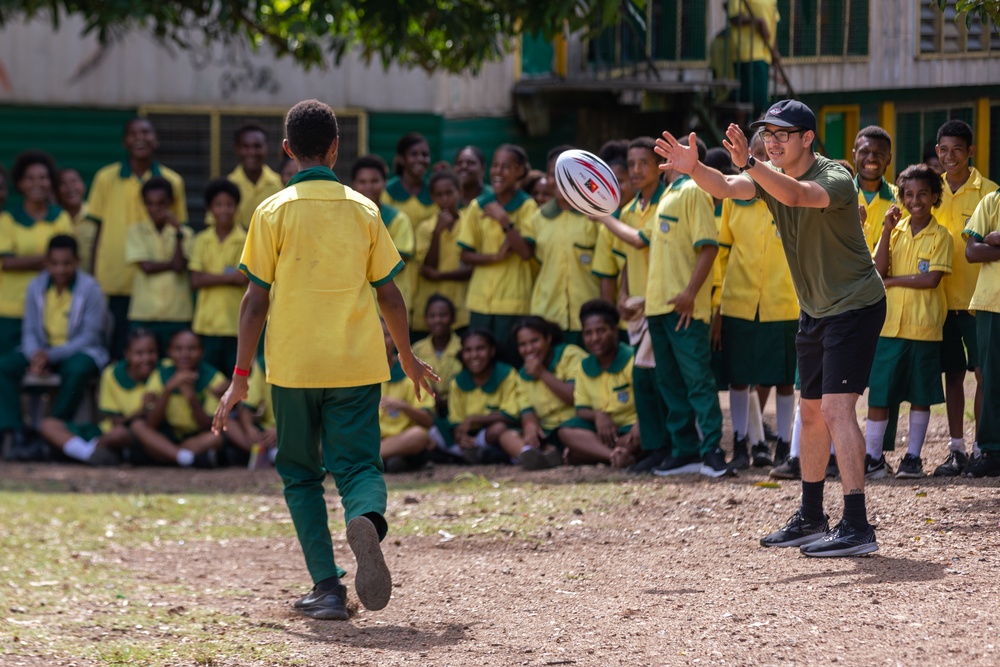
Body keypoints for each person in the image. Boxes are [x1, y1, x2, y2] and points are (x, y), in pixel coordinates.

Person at [211, 100, 437, 621]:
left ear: (287, 151)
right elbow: (390, 294)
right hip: (356, 365)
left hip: (292, 370)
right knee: (358, 464)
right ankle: (363, 518)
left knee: (299, 474)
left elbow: (253, 302)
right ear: (337, 148)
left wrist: (240, 378)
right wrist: (406, 354)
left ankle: (327, 589)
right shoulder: (364, 209)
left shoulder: (271, 210)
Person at [657, 99, 886, 556]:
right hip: (815, 310)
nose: (773, 140)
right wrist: (694, 168)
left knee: (838, 411)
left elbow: (797, 196)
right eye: (768, 133)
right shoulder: (769, 179)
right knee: (811, 412)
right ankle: (811, 516)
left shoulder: (835, 178)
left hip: (855, 306)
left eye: (784, 134)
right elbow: (723, 186)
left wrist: (752, 162)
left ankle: (858, 525)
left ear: (808, 139)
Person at [596, 136, 730, 479]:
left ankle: (712, 450)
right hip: (656, 308)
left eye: (675, 153)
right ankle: (683, 450)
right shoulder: (667, 196)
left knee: (697, 379)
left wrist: (690, 293)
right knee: (668, 382)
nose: (645, 166)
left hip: (683, 307)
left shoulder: (694, 190)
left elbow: (709, 247)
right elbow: (640, 248)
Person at [715, 131, 798, 471]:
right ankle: (742, 441)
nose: (764, 159)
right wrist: (718, 304)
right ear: (746, 154)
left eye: (771, 153)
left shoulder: (792, 195)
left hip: (786, 303)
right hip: (739, 301)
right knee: (739, 377)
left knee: (783, 377)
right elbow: (722, 252)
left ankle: (785, 445)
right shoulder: (734, 197)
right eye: (758, 153)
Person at [590, 137, 674, 473]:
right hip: (637, 311)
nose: (637, 171)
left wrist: (602, 216)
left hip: (662, 304)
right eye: (632, 163)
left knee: (664, 380)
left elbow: (640, 242)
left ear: (658, 168)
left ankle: (675, 448)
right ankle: (654, 449)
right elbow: (626, 260)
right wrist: (622, 297)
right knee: (645, 382)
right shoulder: (628, 210)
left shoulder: (667, 202)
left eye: (643, 164)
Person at [864, 165, 952, 480]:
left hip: (924, 329)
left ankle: (912, 458)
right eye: (909, 195)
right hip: (889, 329)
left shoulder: (942, 236)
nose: (915, 201)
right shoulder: (895, 232)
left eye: (923, 194)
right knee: (880, 396)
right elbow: (878, 271)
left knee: (920, 395)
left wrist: (893, 282)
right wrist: (886, 230)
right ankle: (872, 458)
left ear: (935, 197)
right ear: (901, 197)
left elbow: (931, 279)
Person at [86, 117, 187, 359]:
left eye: (146, 132)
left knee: (157, 352)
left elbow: (178, 228)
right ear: (124, 141)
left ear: (156, 140)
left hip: (158, 285)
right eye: (133, 133)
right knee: (119, 344)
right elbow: (97, 230)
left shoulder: (172, 181)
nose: (140, 137)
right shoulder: (105, 178)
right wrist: (92, 274)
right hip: (116, 277)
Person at [932, 119, 999, 477]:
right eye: (943, 149)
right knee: (952, 376)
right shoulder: (929, 190)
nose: (950, 156)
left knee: (984, 374)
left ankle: (981, 447)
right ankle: (955, 448)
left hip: (979, 302)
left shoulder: (989, 191)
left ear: (970, 151)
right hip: (940, 302)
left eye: (957, 149)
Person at [0, 235, 108, 452]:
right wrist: (36, 356)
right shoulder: (35, 286)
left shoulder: (91, 289)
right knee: (4, 366)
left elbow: (89, 336)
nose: (60, 270)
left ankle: (56, 429)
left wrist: (51, 356)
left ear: (77, 261)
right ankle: (16, 432)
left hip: (79, 351)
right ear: (47, 262)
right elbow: (29, 329)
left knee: (78, 369)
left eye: (66, 263)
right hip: (41, 352)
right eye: (55, 263)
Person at [457, 144, 539, 363]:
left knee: (508, 360)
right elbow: (465, 255)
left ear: (520, 171)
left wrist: (504, 221)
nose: (498, 172)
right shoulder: (478, 206)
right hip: (480, 300)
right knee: (479, 361)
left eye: (506, 167)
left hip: (514, 301)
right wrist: (495, 258)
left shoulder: (527, 206)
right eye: (495, 166)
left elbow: (525, 252)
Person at [38, 328, 159, 466]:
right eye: (139, 353)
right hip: (107, 433)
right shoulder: (111, 373)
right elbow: (115, 422)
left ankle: (83, 453)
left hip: (138, 436)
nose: (146, 358)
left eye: (151, 352)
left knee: (122, 433)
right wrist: (141, 411)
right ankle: (89, 454)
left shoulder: (162, 372)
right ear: (127, 354)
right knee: (48, 425)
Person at [524, 146, 601, 344]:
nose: (558, 180)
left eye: (566, 173)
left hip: (589, 319)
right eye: (552, 174)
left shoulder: (596, 218)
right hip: (547, 315)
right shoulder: (536, 220)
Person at [0, 151, 73, 352]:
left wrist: (26, 261)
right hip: (11, 308)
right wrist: (51, 259)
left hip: (50, 308)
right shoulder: (8, 219)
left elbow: (68, 261)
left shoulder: (60, 217)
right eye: (30, 178)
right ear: (20, 183)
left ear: (51, 182)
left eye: (43, 178)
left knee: (41, 372)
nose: (37, 183)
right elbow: (7, 263)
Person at [559, 300, 639, 467]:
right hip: (602, 433)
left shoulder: (633, 359)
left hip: (632, 427)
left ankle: (590, 453)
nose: (594, 338)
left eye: (601, 331)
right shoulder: (583, 367)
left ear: (615, 331)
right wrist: (598, 415)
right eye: (588, 333)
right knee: (566, 431)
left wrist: (640, 424)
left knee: (647, 433)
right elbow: (581, 410)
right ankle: (613, 455)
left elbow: (652, 400)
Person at [130, 329, 227, 466]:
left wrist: (192, 399)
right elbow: (151, 423)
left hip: (195, 437)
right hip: (165, 435)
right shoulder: (160, 374)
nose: (185, 354)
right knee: (137, 426)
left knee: (214, 439)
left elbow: (208, 427)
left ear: (202, 352)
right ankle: (185, 457)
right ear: (169, 352)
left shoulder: (214, 378)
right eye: (178, 349)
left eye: (192, 349)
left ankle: (169, 455)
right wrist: (168, 389)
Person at [125, 177, 194, 354]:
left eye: (161, 203)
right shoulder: (135, 231)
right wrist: (172, 264)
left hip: (177, 313)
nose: (155, 209)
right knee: (144, 365)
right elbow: (146, 267)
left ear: (171, 202)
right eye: (150, 203)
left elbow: (178, 267)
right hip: (144, 313)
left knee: (176, 365)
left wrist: (178, 233)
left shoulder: (185, 233)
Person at [190, 179, 248, 375]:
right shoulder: (201, 240)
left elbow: (243, 279)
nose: (224, 210)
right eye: (218, 205)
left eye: (229, 204)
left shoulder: (247, 239)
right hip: (207, 325)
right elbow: (195, 280)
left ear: (237, 207)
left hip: (236, 324)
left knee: (236, 379)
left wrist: (211, 277)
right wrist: (229, 277)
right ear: (209, 209)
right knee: (210, 380)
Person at [512, 316, 586, 470]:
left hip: (576, 425)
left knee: (570, 436)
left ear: (548, 338)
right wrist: (530, 424)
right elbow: (526, 409)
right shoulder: (522, 374)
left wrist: (542, 373)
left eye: (534, 341)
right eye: (522, 345)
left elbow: (573, 397)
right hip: (548, 431)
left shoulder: (569, 355)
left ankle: (554, 454)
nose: (529, 349)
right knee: (508, 434)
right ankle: (536, 455)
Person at [444, 329, 523, 464]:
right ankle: (473, 450)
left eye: (480, 349)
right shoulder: (457, 382)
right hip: (471, 436)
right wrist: (460, 436)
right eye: (468, 350)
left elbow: (510, 415)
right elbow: (456, 420)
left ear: (492, 351)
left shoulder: (507, 374)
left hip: (499, 433)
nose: (474, 355)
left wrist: (474, 419)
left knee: (499, 428)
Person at [963, 188, 1000, 476]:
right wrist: (986, 241)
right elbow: (973, 251)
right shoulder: (992, 200)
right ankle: (990, 449)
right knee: (991, 377)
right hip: (992, 303)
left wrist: (996, 240)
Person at [353, 155, 416, 317]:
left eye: (374, 181)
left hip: (391, 304)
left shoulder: (398, 219)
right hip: (358, 305)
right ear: (353, 185)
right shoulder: (346, 218)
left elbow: (399, 263)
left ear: (384, 183)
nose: (369, 187)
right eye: (362, 181)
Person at [413, 171, 472, 333]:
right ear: (433, 197)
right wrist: (437, 233)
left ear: (460, 192)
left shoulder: (469, 224)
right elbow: (427, 267)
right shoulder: (426, 228)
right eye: (439, 195)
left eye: (449, 193)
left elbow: (472, 269)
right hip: (432, 307)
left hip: (462, 303)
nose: (445, 199)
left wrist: (440, 275)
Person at [378, 319, 435, 472]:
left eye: (386, 335)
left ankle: (365, 459)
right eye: (375, 335)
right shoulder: (357, 373)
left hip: (401, 439)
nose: (381, 341)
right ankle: (384, 459)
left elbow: (427, 421)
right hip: (368, 440)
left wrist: (403, 406)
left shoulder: (410, 372)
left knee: (418, 436)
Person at [411, 294, 463, 418]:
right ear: (425, 319)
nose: (437, 320)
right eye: (432, 316)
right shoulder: (416, 349)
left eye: (443, 315)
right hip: (425, 407)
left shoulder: (463, 347)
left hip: (458, 406)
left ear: (453, 318)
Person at [728, 0, 780, 121]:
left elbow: (773, 22)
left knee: (760, 100)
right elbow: (733, 17)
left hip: (765, 54)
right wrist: (757, 21)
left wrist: (774, 50)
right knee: (756, 100)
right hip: (748, 52)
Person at [853, 126, 901, 252]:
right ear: (854, 156)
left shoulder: (902, 201)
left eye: (878, 153)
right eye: (864, 152)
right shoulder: (838, 197)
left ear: (889, 159)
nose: (871, 158)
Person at [227, 124, 283, 230]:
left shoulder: (280, 185)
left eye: (257, 146)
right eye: (245, 147)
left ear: (268, 148)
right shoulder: (228, 186)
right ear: (237, 149)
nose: (252, 152)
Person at [382, 133, 436, 228]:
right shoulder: (387, 191)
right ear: (402, 159)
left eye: (425, 154)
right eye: (414, 154)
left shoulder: (434, 191)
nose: (420, 159)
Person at [57, 168, 97, 275]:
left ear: (83, 186)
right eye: (63, 183)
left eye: (74, 181)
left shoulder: (96, 216)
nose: (70, 187)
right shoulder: (55, 219)